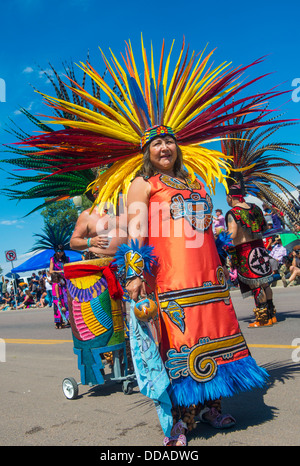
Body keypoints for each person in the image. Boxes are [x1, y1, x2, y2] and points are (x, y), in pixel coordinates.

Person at [125, 129, 268, 446]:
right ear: (146, 152)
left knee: (216, 340)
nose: (165, 147)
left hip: (208, 276)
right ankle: (180, 421)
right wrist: (134, 273)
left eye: (169, 141)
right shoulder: (143, 185)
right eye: (156, 143)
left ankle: (211, 408)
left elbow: (205, 229)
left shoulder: (196, 184)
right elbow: (135, 230)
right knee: (181, 345)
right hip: (171, 280)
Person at [225, 185, 276, 327]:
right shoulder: (256, 208)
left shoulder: (233, 213)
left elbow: (232, 235)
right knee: (265, 283)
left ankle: (263, 318)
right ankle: (272, 315)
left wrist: (221, 235)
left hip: (246, 252)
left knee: (256, 285)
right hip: (260, 249)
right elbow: (265, 228)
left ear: (230, 197)